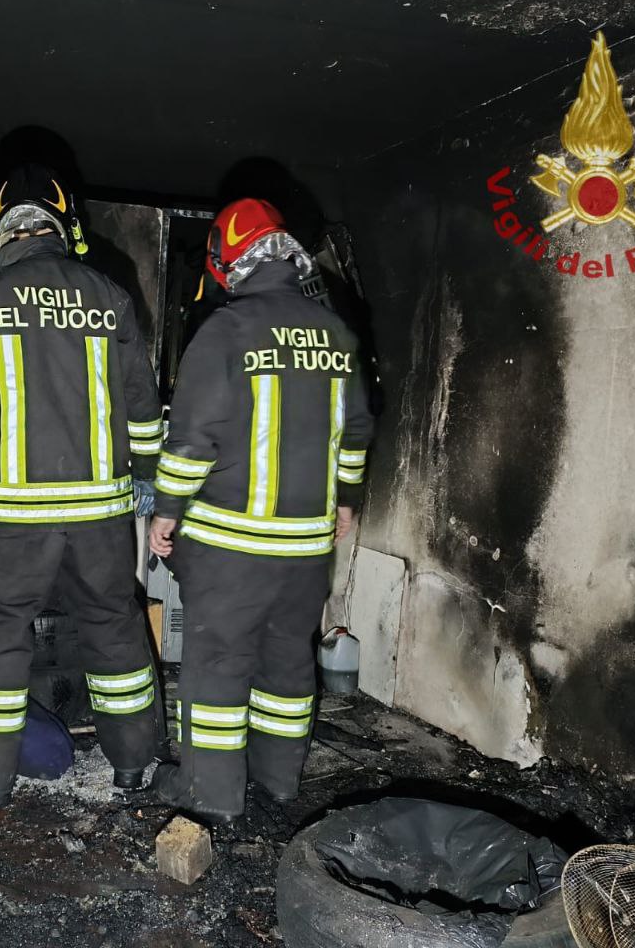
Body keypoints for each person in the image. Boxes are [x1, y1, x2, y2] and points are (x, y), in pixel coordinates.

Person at [0, 163, 163, 809]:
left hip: (15, 518)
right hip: (101, 515)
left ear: (4, 231)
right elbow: (142, 403)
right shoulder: (110, 297)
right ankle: (135, 765)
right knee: (115, 629)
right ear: (64, 226)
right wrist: (145, 477)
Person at [148, 198, 374, 821]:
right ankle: (279, 784)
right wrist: (347, 502)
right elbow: (354, 433)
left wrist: (166, 510)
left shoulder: (224, 332)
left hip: (230, 549)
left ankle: (210, 797)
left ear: (227, 261)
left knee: (217, 670)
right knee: (286, 664)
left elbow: (192, 440)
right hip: (306, 550)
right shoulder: (337, 334)